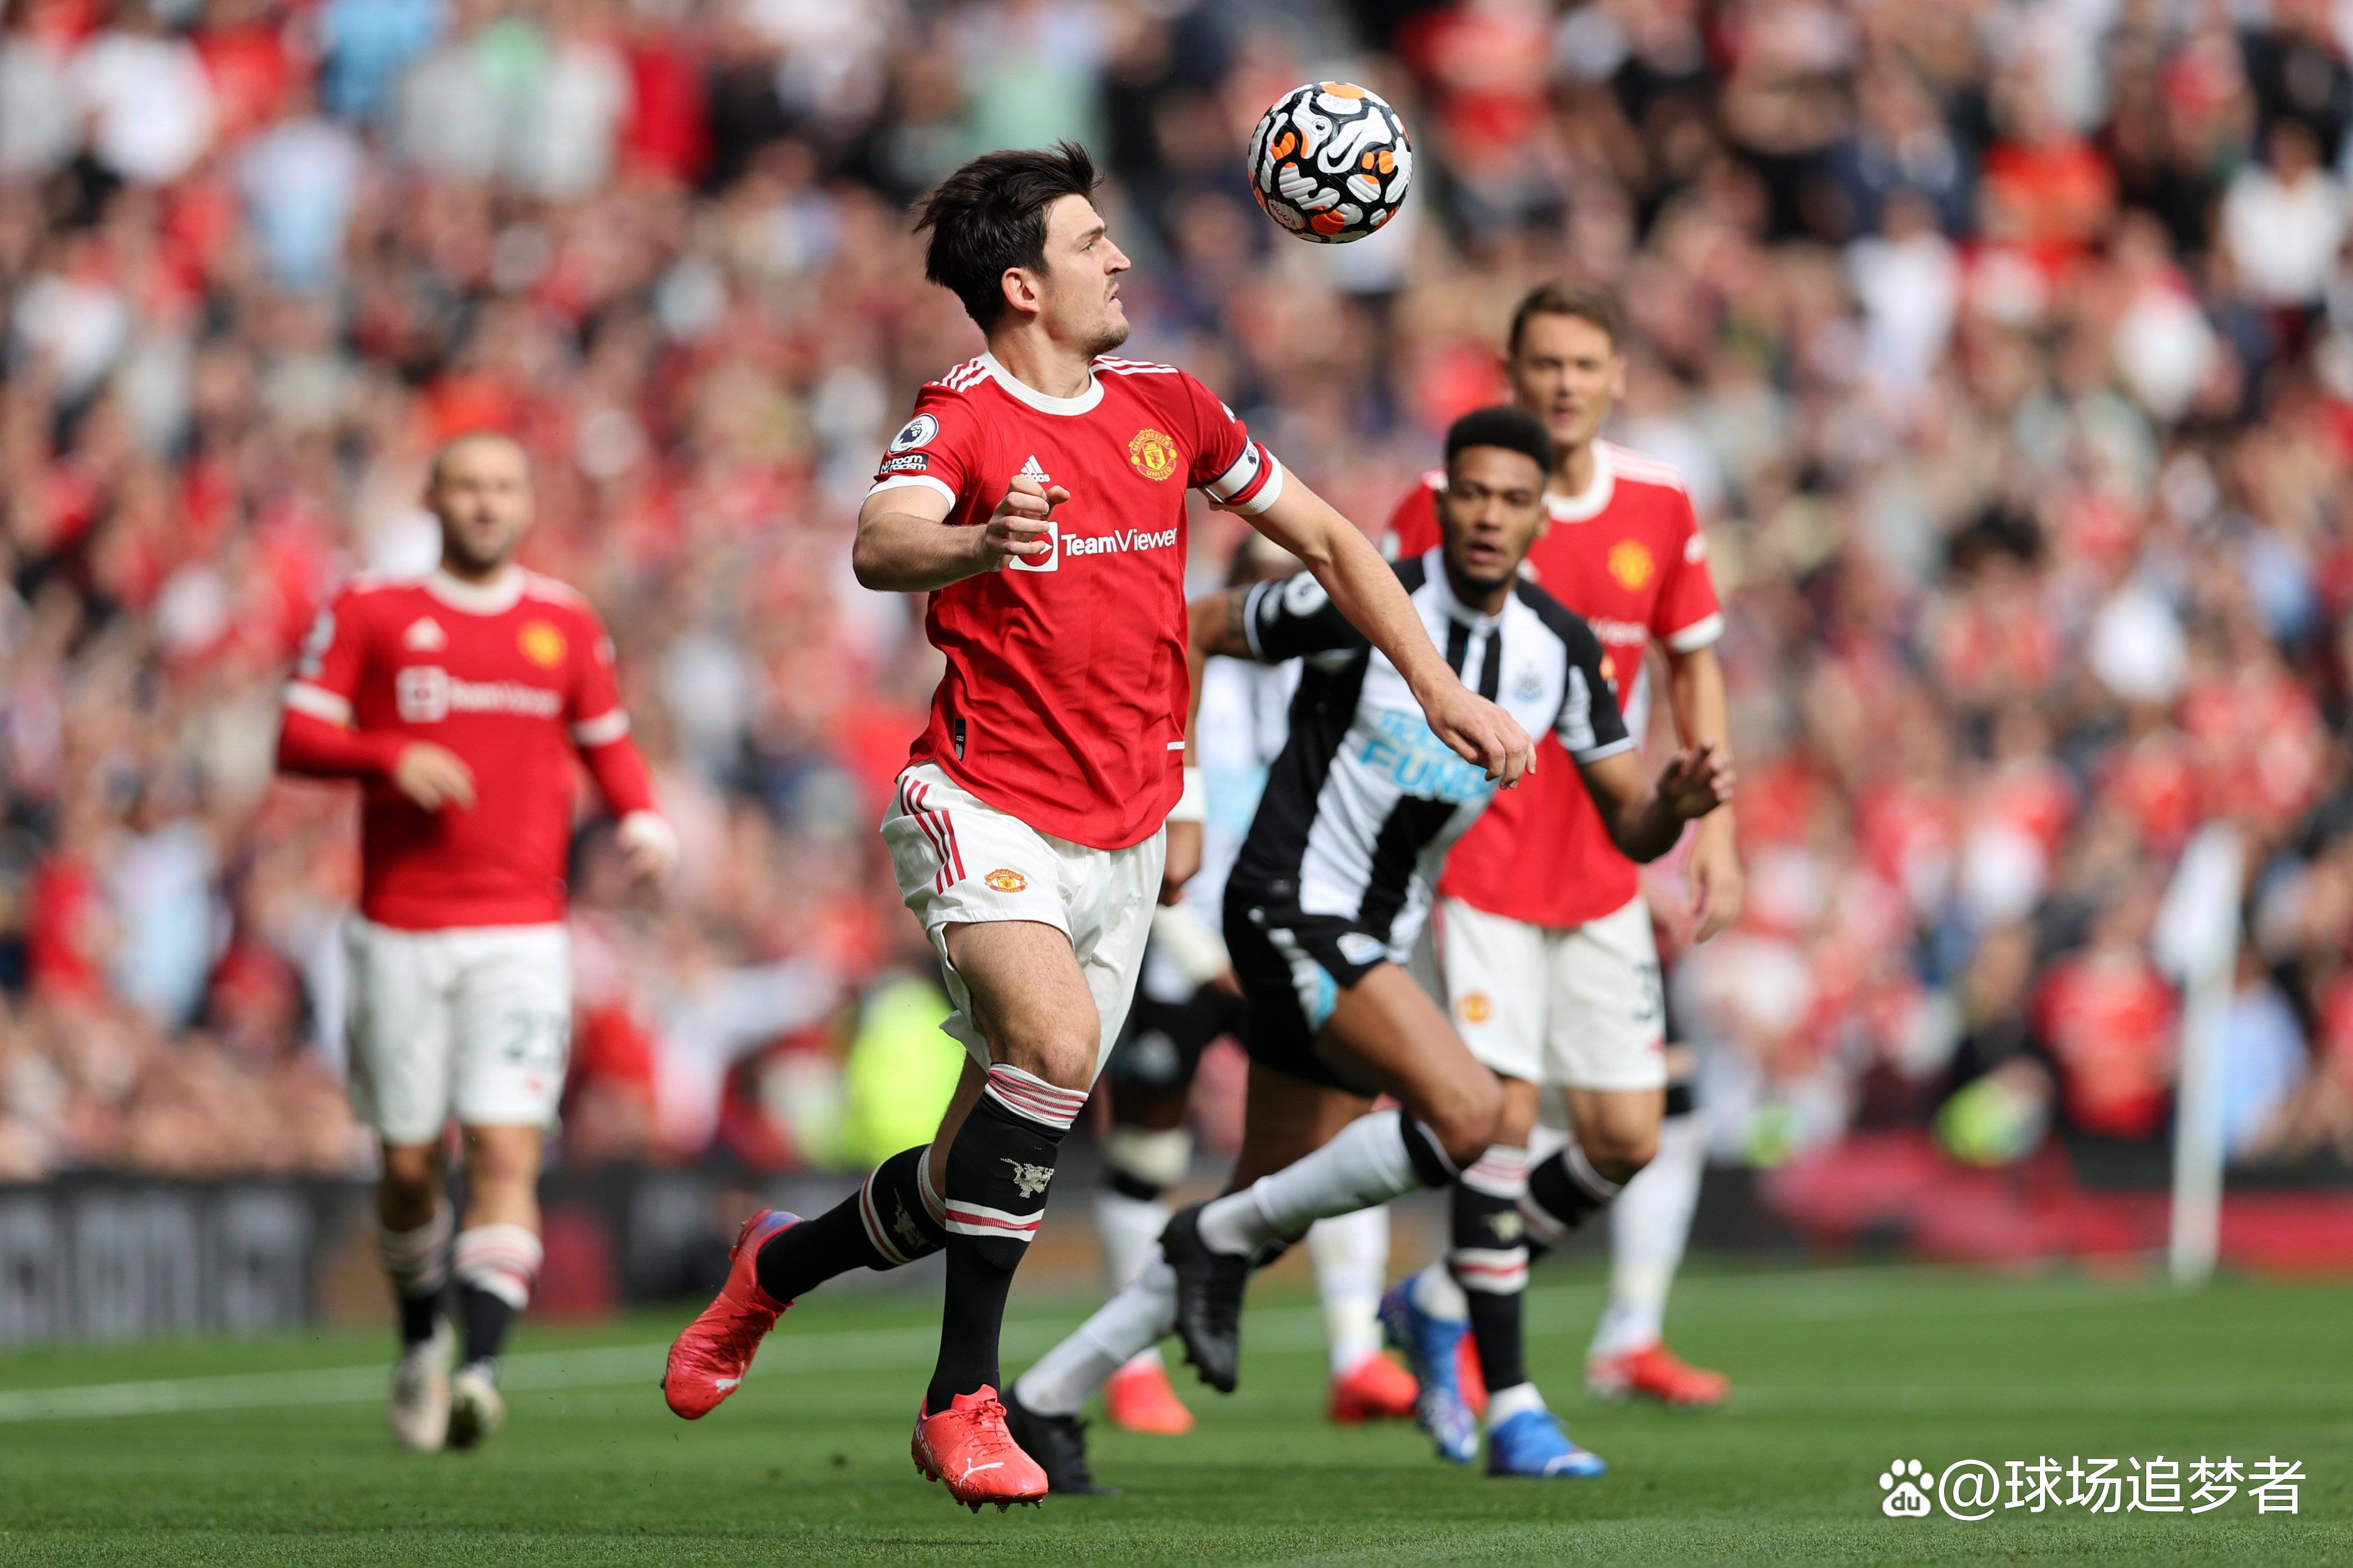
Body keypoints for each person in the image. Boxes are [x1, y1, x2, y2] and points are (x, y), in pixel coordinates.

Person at [657, 142, 1531, 1512]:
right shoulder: (956, 415)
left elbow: (1333, 542)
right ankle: (963, 1402)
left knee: (964, 1179)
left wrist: (1435, 689)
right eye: (1089, 242)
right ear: (1021, 283)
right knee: (1057, 1052)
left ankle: (774, 1268)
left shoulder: (1169, 407)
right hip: (978, 797)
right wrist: (980, 544)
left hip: (1120, 836)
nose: (1119, 258)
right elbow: (881, 543)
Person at [1004, 405, 1732, 1489]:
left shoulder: (1558, 653)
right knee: (1476, 1113)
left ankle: (1047, 1397)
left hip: (1374, 934)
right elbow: (1201, 625)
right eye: (1471, 493)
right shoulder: (1368, 601)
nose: (1488, 516)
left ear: (1541, 518)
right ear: (1441, 502)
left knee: (1266, 1206)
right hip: (1289, 904)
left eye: (1512, 499)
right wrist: (1187, 797)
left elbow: (1629, 822)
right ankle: (1246, 1264)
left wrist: (1674, 809)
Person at [1380, 283, 1742, 1453]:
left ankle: (1435, 1302)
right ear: (1510, 371)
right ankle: (1512, 1399)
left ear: (1616, 373)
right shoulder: (1448, 506)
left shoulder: (1658, 504)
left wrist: (1715, 833)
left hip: (1601, 857)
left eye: (1586, 364)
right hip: (1478, 852)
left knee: (1628, 1136)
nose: (1566, 385)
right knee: (1502, 1120)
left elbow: (1691, 670)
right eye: (1544, 364)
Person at [276, 432, 676, 1452]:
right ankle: (420, 1338)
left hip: (521, 933)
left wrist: (641, 817)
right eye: (468, 485)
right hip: (399, 930)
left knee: (504, 1144)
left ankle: (484, 1371)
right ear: (433, 496)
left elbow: (607, 738)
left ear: (528, 501)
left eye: (504, 485)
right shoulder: (376, 609)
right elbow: (299, 733)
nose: (487, 503)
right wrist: (388, 755)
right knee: (410, 1162)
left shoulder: (563, 621)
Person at [1093, 534, 1417, 1438]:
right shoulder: (1179, 684)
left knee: (1340, 1136)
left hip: (1284, 940)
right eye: (1265, 596)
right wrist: (1202, 952)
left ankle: (1355, 1355)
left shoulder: (1333, 694)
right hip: (1184, 951)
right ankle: (1133, 1368)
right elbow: (1140, 829)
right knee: (1147, 1151)